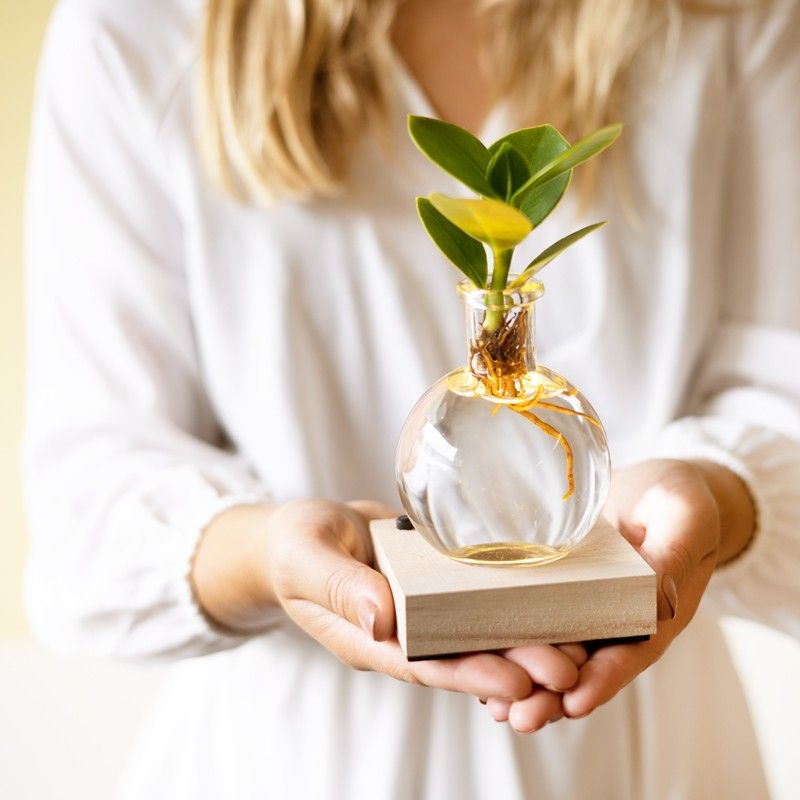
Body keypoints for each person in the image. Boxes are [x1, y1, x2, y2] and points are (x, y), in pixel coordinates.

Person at [23, 0, 800, 797]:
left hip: (643, 750)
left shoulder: (729, 18)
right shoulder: (137, 31)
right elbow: (90, 502)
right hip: (301, 757)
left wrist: (714, 491)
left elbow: (782, 389)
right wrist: (269, 553)